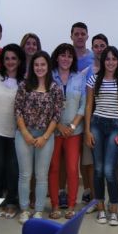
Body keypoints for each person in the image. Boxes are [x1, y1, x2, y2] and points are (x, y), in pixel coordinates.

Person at [14, 51, 63, 224]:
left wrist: (45, 136)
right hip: (24, 134)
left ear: (48, 66)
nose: (39, 68)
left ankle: (39, 210)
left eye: (43, 64)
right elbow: (17, 110)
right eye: (36, 65)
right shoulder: (24, 85)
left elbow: (57, 115)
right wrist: (25, 134)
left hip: (46, 136)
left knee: (41, 175)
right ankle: (24, 210)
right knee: (25, 174)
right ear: (32, 66)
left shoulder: (55, 88)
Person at [85, 46, 118, 226]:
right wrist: (87, 131)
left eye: (114, 59)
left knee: (109, 170)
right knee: (98, 169)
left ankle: (114, 209)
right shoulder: (94, 79)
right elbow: (89, 105)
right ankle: (100, 208)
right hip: (96, 124)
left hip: (115, 127)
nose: (111, 62)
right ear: (103, 61)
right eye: (108, 59)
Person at [48, 43, 86, 220]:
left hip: (73, 132)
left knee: (72, 168)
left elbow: (83, 105)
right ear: (57, 57)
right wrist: (58, 126)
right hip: (52, 130)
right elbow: (45, 103)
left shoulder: (79, 77)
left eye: (69, 56)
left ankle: (71, 206)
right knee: (54, 168)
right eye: (62, 55)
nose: (66, 59)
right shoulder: (49, 76)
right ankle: (55, 205)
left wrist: (71, 126)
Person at [0, 44, 25, 219]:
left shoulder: (25, 80)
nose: (10, 62)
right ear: (2, 61)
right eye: (7, 58)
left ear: (19, 61)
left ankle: (11, 201)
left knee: (13, 169)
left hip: (16, 131)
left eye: (14, 58)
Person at [81, 33, 108, 207]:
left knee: (110, 164)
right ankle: (94, 198)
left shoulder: (116, 71)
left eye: (102, 46)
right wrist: (87, 127)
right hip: (91, 123)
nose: (99, 49)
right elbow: (85, 102)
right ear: (92, 49)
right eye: (96, 46)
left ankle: (110, 199)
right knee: (91, 162)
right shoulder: (86, 73)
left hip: (111, 124)